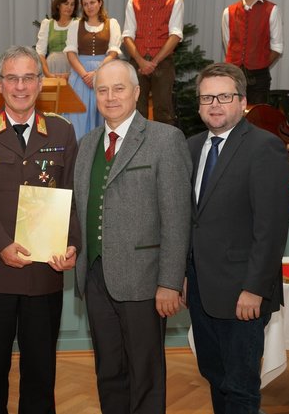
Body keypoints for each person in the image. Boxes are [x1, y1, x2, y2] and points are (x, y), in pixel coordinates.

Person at [0, 45, 80, 414]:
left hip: (44, 274)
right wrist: (1, 245)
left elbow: (72, 194)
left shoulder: (61, 131)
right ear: (0, 84)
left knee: (41, 375)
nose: (20, 86)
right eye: (12, 78)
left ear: (40, 84)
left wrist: (72, 244)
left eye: (28, 78)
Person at [73, 59, 191, 413]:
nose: (110, 97)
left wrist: (169, 282)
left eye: (119, 88)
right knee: (108, 370)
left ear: (137, 92)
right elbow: (79, 207)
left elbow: (177, 216)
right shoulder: (87, 143)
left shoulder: (165, 140)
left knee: (145, 373)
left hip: (144, 280)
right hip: (95, 277)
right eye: (103, 90)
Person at [186, 62, 289, 413]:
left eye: (224, 96)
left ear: (242, 100)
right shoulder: (192, 147)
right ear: (199, 105)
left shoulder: (264, 147)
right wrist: (185, 275)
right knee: (215, 376)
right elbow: (192, 221)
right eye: (207, 97)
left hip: (243, 294)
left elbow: (271, 228)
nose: (215, 104)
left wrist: (255, 289)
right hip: (201, 292)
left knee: (242, 387)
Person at [123, 0, 183, 125]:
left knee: (164, 111)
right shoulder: (133, 0)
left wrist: (154, 62)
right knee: (136, 110)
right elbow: (127, 35)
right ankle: (137, 149)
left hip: (162, 63)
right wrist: (141, 62)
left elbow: (175, 35)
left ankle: (164, 150)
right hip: (138, 62)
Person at [222, 0, 283, 104]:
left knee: (256, 118)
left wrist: (260, 64)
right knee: (232, 116)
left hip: (259, 79)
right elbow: (228, 44)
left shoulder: (272, 10)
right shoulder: (228, 12)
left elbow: (277, 47)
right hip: (233, 76)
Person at [65, 0, 121, 139]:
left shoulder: (112, 23)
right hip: (80, 75)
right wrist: (85, 75)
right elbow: (71, 53)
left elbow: (113, 52)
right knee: (79, 115)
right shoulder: (75, 25)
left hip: (105, 73)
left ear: (100, 3)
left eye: (92, 2)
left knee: (103, 113)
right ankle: (78, 153)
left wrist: (97, 73)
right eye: (85, 4)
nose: (89, 7)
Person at [35, 0, 78, 79]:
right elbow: (40, 53)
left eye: (72, 4)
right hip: (51, 69)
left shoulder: (78, 23)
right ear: (58, 5)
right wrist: (48, 74)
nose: (69, 7)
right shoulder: (47, 24)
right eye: (66, 3)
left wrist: (72, 74)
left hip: (74, 70)